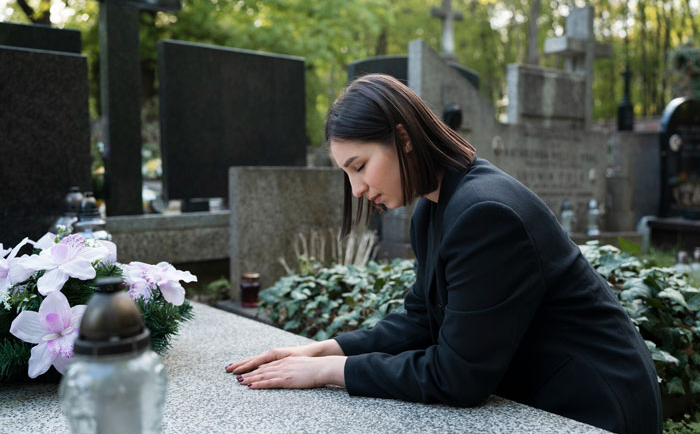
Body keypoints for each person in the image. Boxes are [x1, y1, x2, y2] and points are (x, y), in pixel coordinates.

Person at [226, 74, 662, 433]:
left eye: (359, 166)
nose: (356, 189)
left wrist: (330, 373)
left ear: (403, 139)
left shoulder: (486, 212)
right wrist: (321, 350)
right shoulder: (434, 208)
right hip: (541, 396)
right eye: (347, 174)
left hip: (591, 410)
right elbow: (420, 320)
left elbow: (459, 377)